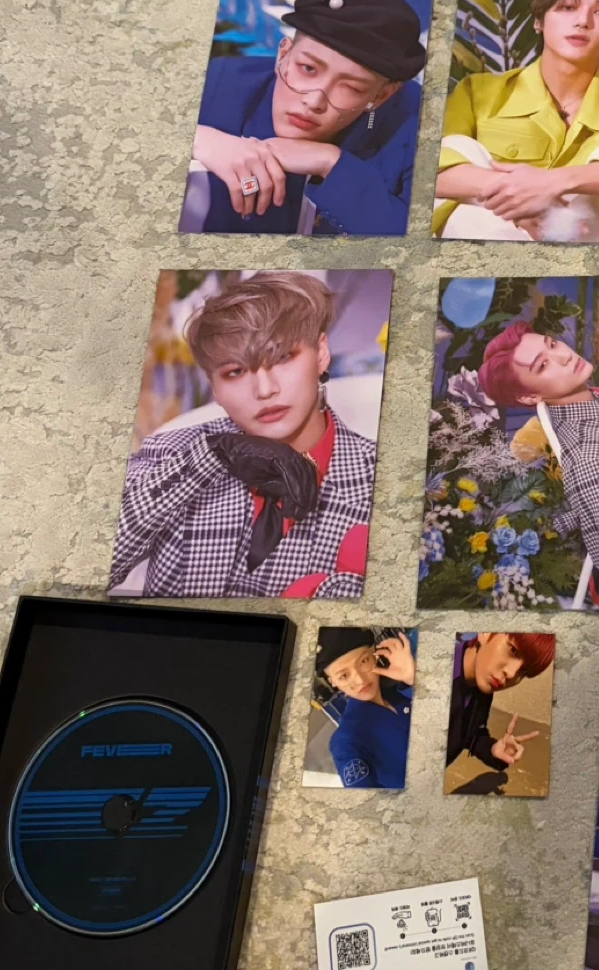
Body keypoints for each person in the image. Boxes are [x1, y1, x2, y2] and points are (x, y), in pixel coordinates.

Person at [110, 273, 375, 599]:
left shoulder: (377, 479)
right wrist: (210, 457)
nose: (264, 390)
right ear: (214, 388)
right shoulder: (171, 452)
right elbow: (87, 564)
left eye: (282, 357)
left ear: (321, 353)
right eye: (235, 372)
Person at [434, 0, 599, 242]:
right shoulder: (477, 92)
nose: (582, 21)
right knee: (458, 149)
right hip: (502, 231)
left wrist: (556, 183)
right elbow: (431, 170)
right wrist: (526, 199)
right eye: (568, 7)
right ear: (539, 20)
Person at [186, 0, 429, 236]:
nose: (314, 102)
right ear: (283, 54)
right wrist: (197, 139)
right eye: (308, 69)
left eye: (351, 88)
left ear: (381, 96)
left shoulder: (416, 123)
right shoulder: (217, 84)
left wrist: (331, 163)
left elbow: (414, 237)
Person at [477, 320, 599, 612]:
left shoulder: (593, 399)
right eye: (543, 365)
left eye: (552, 344)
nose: (564, 355)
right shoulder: (590, 458)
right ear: (530, 396)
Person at [445, 632, 555, 779]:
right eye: (513, 650)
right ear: (486, 633)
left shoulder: (483, 690)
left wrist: (493, 749)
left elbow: (470, 734)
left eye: (523, 671)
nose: (512, 674)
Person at [317, 630, 416, 788]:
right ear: (332, 682)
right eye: (344, 676)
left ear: (373, 654)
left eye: (363, 661)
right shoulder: (347, 740)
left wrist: (413, 679)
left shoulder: (402, 687)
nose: (360, 680)